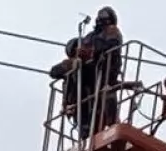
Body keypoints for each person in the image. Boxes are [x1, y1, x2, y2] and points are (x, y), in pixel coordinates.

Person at [49, 7, 124, 139]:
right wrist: (76, 54)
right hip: (88, 76)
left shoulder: (112, 32)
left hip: (103, 72)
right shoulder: (91, 36)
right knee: (73, 71)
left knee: (81, 72)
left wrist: (90, 51)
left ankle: (87, 121)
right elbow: (56, 70)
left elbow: (108, 46)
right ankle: (72, 107)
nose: (102, 19)